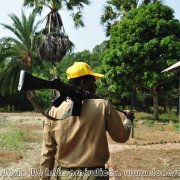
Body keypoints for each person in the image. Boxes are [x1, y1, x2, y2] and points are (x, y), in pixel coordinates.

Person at [39, 62, 134, 180]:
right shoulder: (103, 106)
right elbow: (121, 137)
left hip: (65, 176)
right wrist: (128, 121)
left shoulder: (53, 112)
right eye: (93, 81)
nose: (96, 86)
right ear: (84, 82)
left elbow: (47, 154)